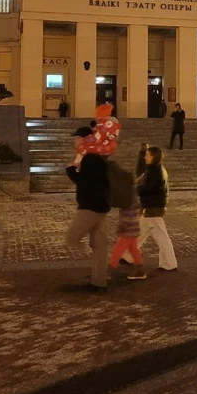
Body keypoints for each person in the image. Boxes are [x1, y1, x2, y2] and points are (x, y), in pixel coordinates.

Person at [64, 125, 111, 292]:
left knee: (72, 237)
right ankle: (99, 282)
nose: (74, 141)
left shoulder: (91, 158)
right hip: (101, 205)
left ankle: (96, 276)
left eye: (76, 138)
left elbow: (84, 181)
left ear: (85, 139)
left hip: (90, 206)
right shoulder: (98, 157)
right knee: (100, 245)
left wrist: (70, 169)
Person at [135, 146, 178, 271]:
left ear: (153, 156)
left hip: (153, 208)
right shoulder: (156, 169)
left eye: (147, 155)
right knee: (139, 232)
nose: (145, 157)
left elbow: (147, 189)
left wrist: (137, 188)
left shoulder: (155, 171)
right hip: (152, 207)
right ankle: (129, 255)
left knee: (161, 237)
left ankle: (169, 263)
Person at [108, 188, 147, 281]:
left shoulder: (128, 200)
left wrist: (121, 227)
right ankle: (140, 270)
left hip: (128, 229)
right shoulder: (134, 198)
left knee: (118, 249)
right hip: (133, 228)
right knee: (133, 249)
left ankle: (109, 270)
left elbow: (127, 217)